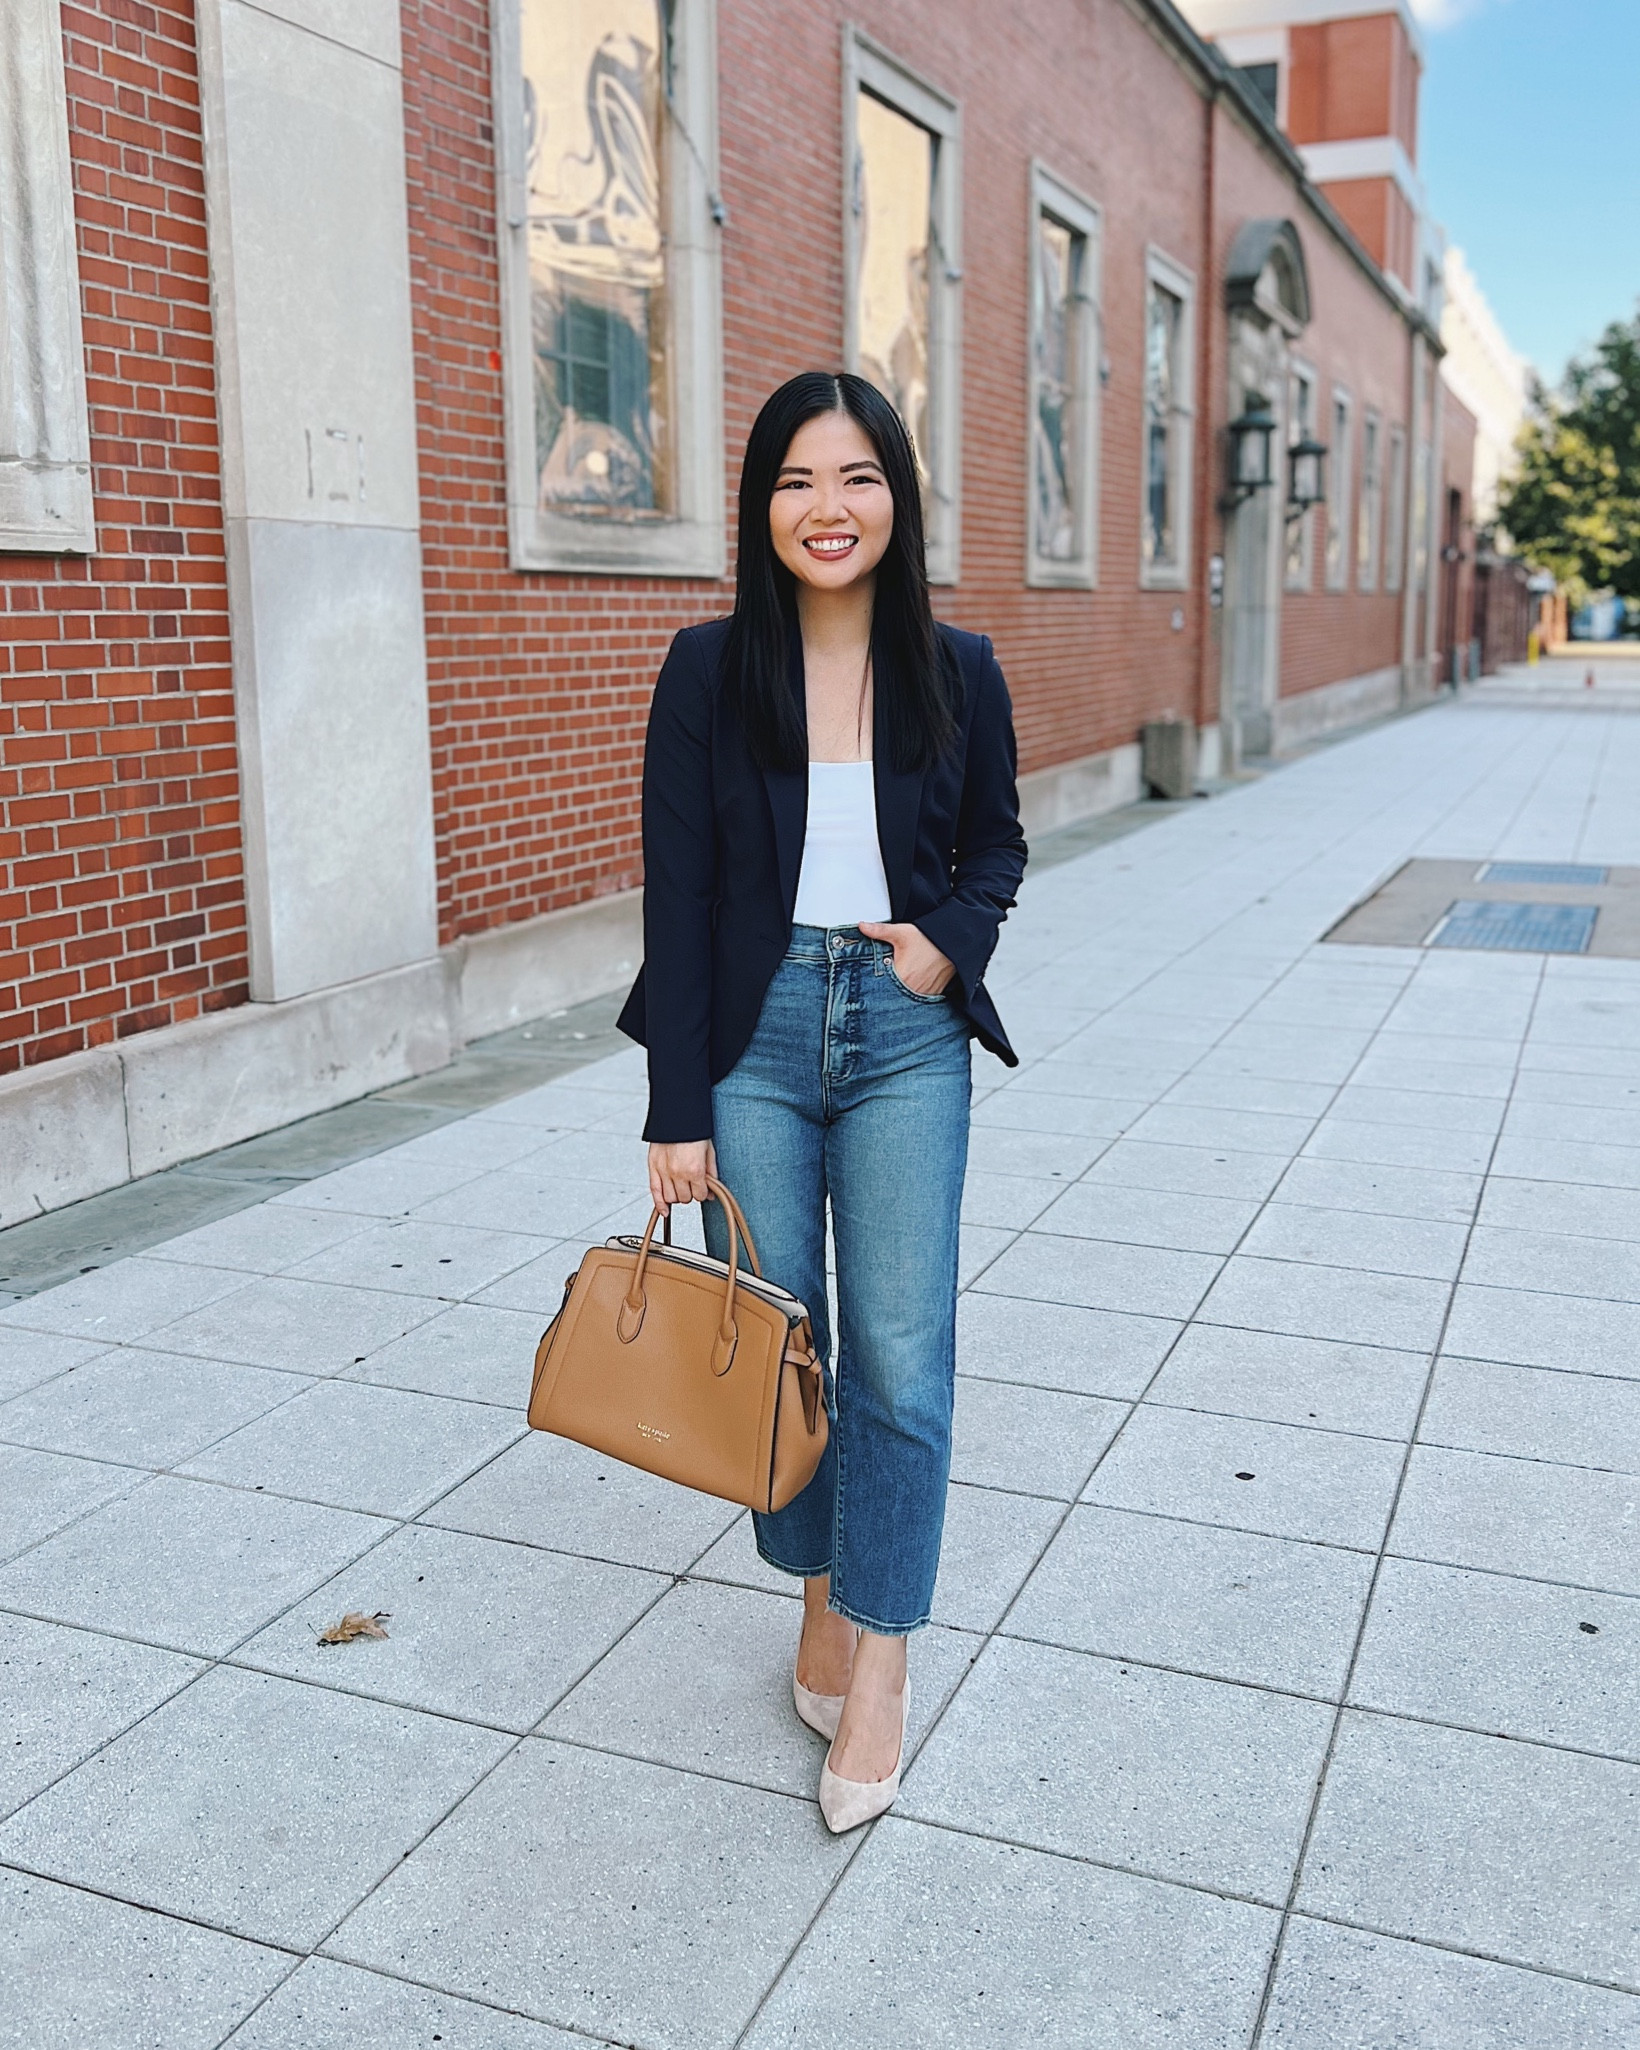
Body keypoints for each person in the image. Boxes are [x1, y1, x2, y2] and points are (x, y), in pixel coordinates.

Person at [617, 370, 1026, 1830]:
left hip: (904, 1028)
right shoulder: (706, 668)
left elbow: (997, 853)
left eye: (856, 478)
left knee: (900, 1361)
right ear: (762, 505)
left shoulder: (959, 668)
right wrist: (677, 1107)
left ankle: (886, 1660)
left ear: (898, 499)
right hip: (755, 1030)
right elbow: (678, 894)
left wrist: (944, 945)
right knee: (783, 1345)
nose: (827, 507)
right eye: (797, 479)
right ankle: (817, 1587)